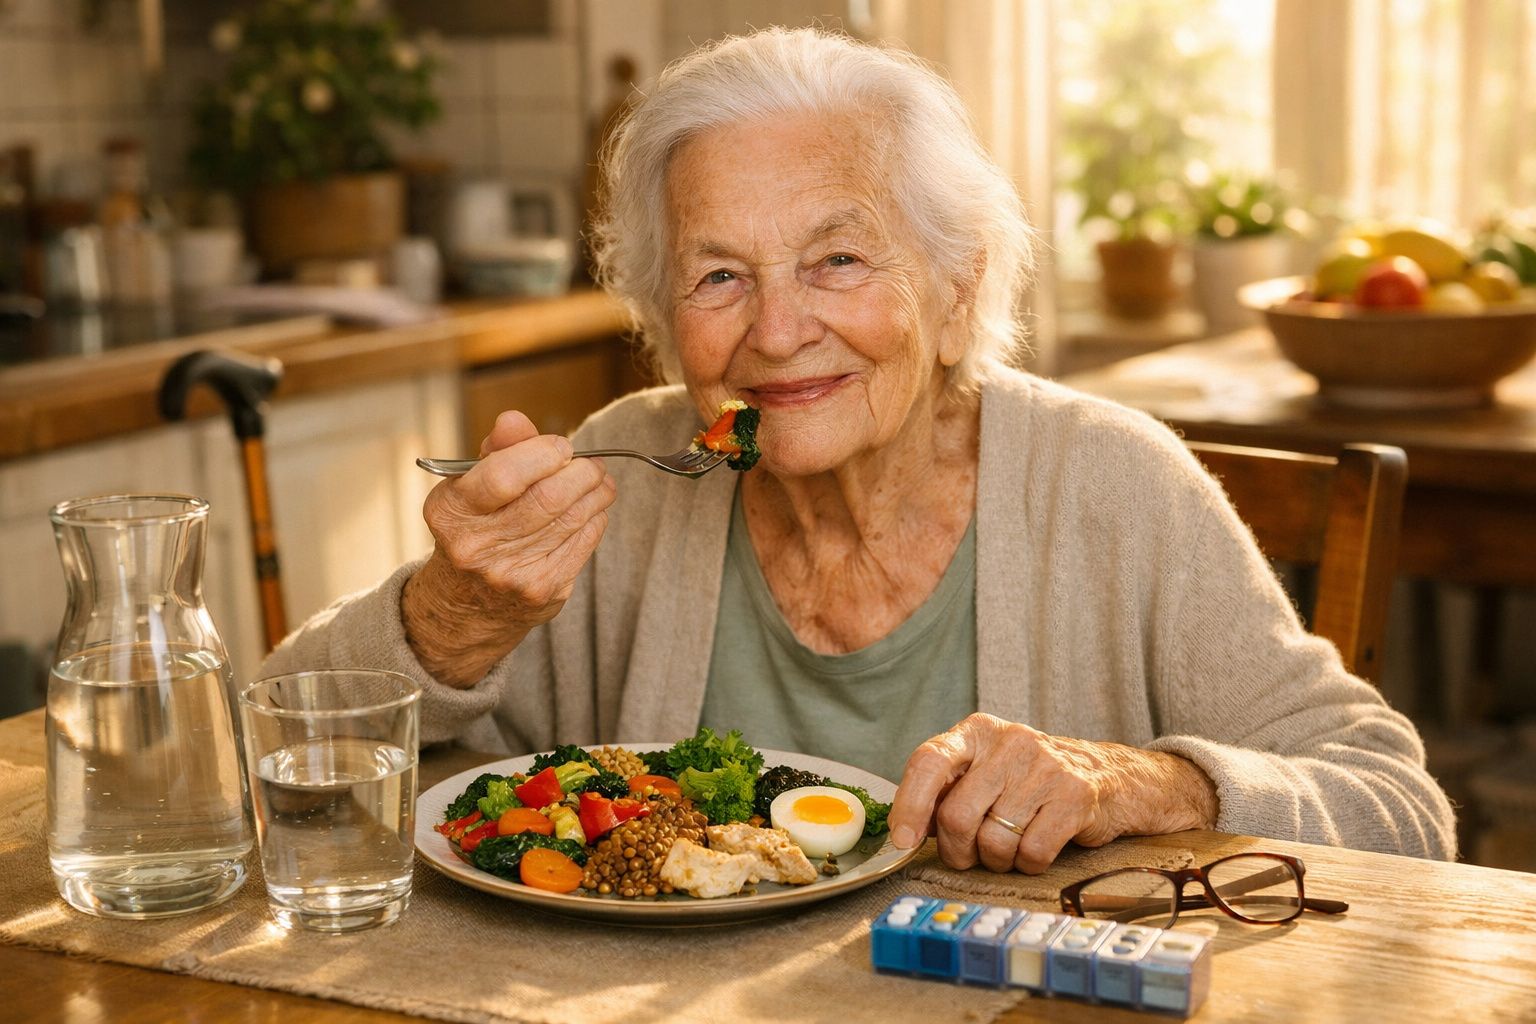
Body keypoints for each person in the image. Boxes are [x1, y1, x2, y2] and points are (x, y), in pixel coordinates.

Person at [262, 27, 1455, 872]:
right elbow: (277, 756)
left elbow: (1400, 805)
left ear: (955, 283)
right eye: (719, 275)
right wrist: (448, 624)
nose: (777, 332)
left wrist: (1152, 782)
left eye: (838, 259)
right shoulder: (621, 472)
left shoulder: (1110, 483)